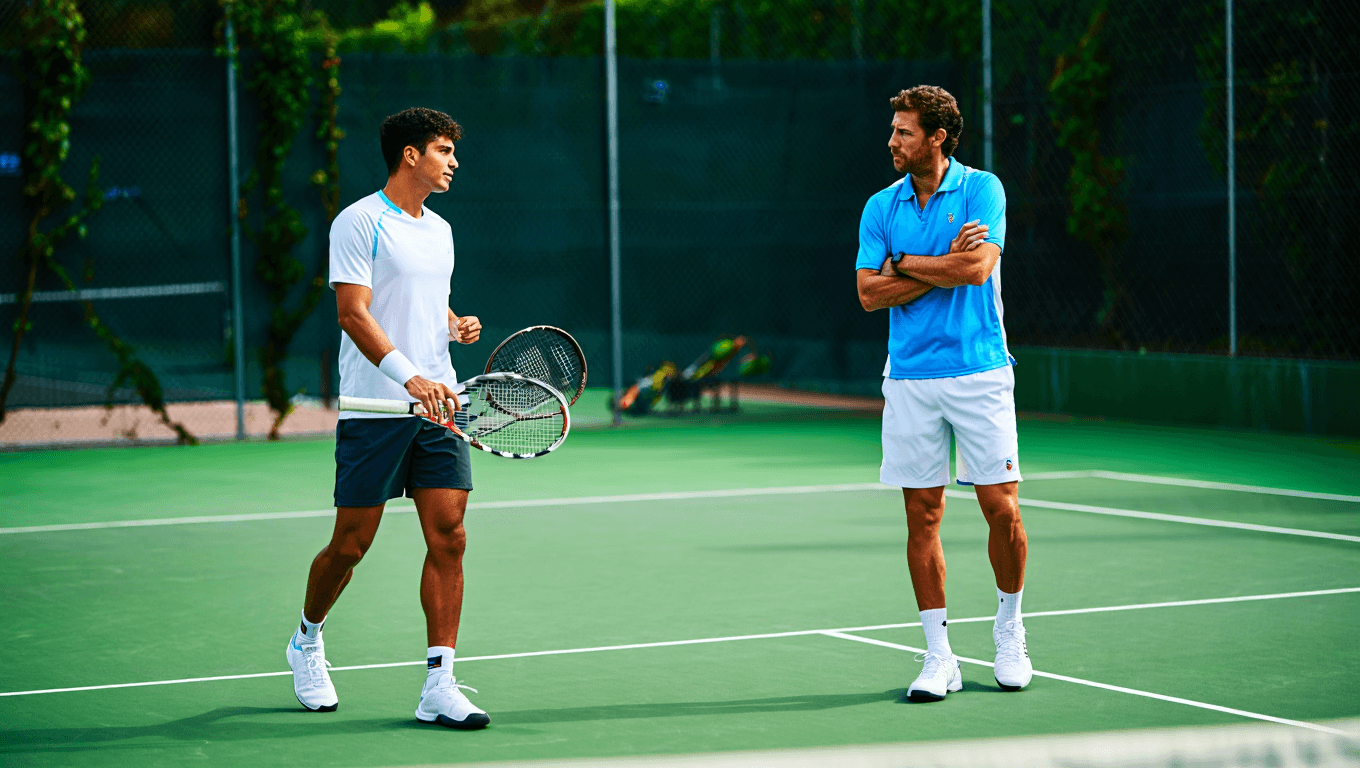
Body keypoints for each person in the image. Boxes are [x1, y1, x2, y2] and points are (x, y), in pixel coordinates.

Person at [285, 107, 489, 729]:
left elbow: (425, 303)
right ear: (410, 155)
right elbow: (354, 312)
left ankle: (439, 684)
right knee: (351, 544)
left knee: (449, 535)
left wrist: (453, 326)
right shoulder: (359, 222)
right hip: (376, 407)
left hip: (440, 405)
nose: (453, 162)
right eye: (443, 150)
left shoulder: (441, 230)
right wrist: (409, 377)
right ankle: (306, 640)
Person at [854, 85, 1033, 702]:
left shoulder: (983, 190)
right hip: (909, 379)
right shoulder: (880, 206)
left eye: (904, 132)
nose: (892, 141)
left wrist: (902, 263)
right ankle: (939, 656)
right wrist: (935, 264)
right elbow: (868, 294)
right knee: (922, 515)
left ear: (937, 137)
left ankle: (1009, 630)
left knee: (1002, 509)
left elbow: (977, 269)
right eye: (894, 130)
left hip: (980, 372)